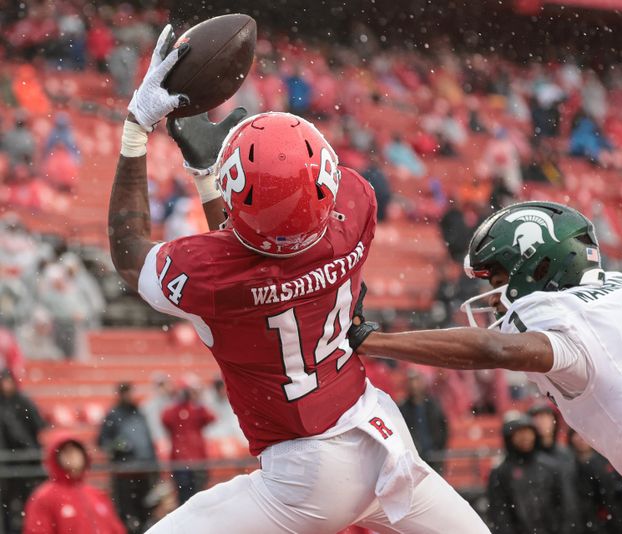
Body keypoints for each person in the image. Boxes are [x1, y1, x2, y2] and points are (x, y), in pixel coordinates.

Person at [108, 25, 488, 533]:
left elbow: (133, 251)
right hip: (382, 439)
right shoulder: (355, 207)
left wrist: (138, 125)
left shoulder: (209, 273)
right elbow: (269, 250)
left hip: (304, 479)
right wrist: (210, 173)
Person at [349, 200, 622, 532]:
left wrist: (374, 340)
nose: (496, 292)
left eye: (500, 277)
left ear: (541, 265)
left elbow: (496, 351)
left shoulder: (567, 331)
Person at [486, 412, 578, 534]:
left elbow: (567, 506)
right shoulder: (500, 472)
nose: (525, 437)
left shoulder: (550, 467)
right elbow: (499, 514)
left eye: (528, 432)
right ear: (510, 437)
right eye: (519, 433)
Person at [23, 434, 126, 534]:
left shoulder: (97, 494)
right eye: (66, 451)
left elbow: (116, 529)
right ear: (56, 457)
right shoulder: (44, 497)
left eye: (76, 451)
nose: (72, 455)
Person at [97, 382, 158, 534]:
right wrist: (117, 446)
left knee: (145, 512)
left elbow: (148, 440)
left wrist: (153, 464)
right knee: (127, 514)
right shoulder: (113, 415)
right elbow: (102, 442)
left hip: (143, 471)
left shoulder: (139, 413)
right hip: (124, 474)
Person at [0, 369, 45, 533]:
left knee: (28, 503)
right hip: (7, 466)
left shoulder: (24, 402)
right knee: (9, 507)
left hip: (26, 465)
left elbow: (38, 425)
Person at [161, 378, 215, 504]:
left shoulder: (194, 410)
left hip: (190, 459)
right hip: (186, 460)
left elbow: (211, 417)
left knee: (193, 495)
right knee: (189, 496)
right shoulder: (183, 411)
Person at [398, 369, 448, 474]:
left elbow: (443, 429)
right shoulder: (403, 408)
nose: (414, 385)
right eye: (411, 381)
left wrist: (437, 448)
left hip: (434, 457)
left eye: (417, 380)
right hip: (415, 459)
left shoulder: (433, 405)